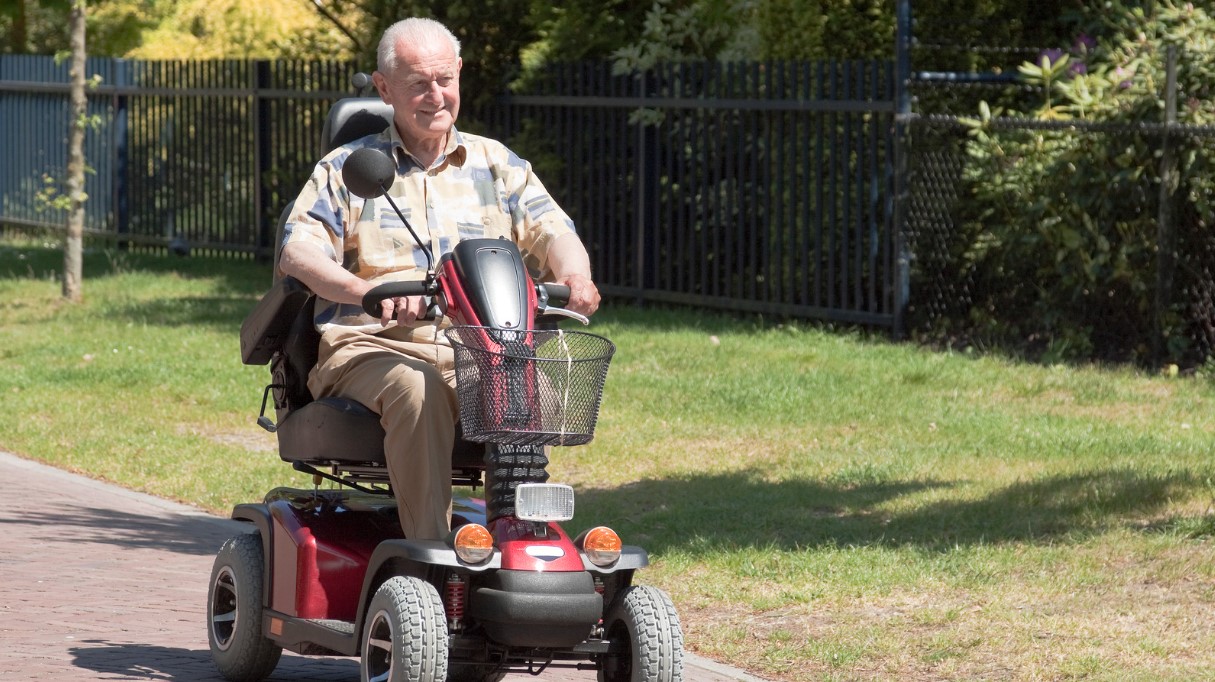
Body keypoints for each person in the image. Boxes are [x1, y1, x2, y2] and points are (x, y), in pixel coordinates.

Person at [278, 17, 601, 541]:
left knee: (525, 382)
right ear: (384, 89)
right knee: (416, 389)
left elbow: (552, 229)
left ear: (459, 74)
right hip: (369, 346)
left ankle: (517, 535)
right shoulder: (349, 169)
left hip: (478, 344)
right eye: (417, 84)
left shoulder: (498, 165)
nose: (435, 96)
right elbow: (299, 252)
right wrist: (366, 293)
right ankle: (429, 558)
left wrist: (576, 275)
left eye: (444, 80)